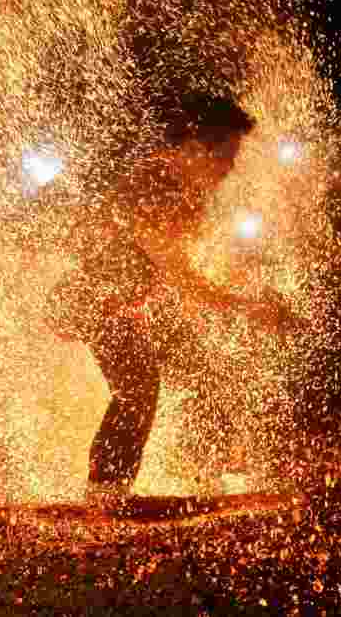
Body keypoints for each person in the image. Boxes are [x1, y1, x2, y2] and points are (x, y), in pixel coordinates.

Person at [44, 93, 297, 508]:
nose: (230, 169)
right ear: (195, 148)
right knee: (138, 387)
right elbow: (180, 276)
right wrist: (246, 306)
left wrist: (238, 300)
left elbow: (176, 272)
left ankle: (206, 473)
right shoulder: (155, 181)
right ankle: (105, 491)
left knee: (203, 373)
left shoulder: (185, 192)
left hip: (135, 300)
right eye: (227, 157)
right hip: (91, 299)